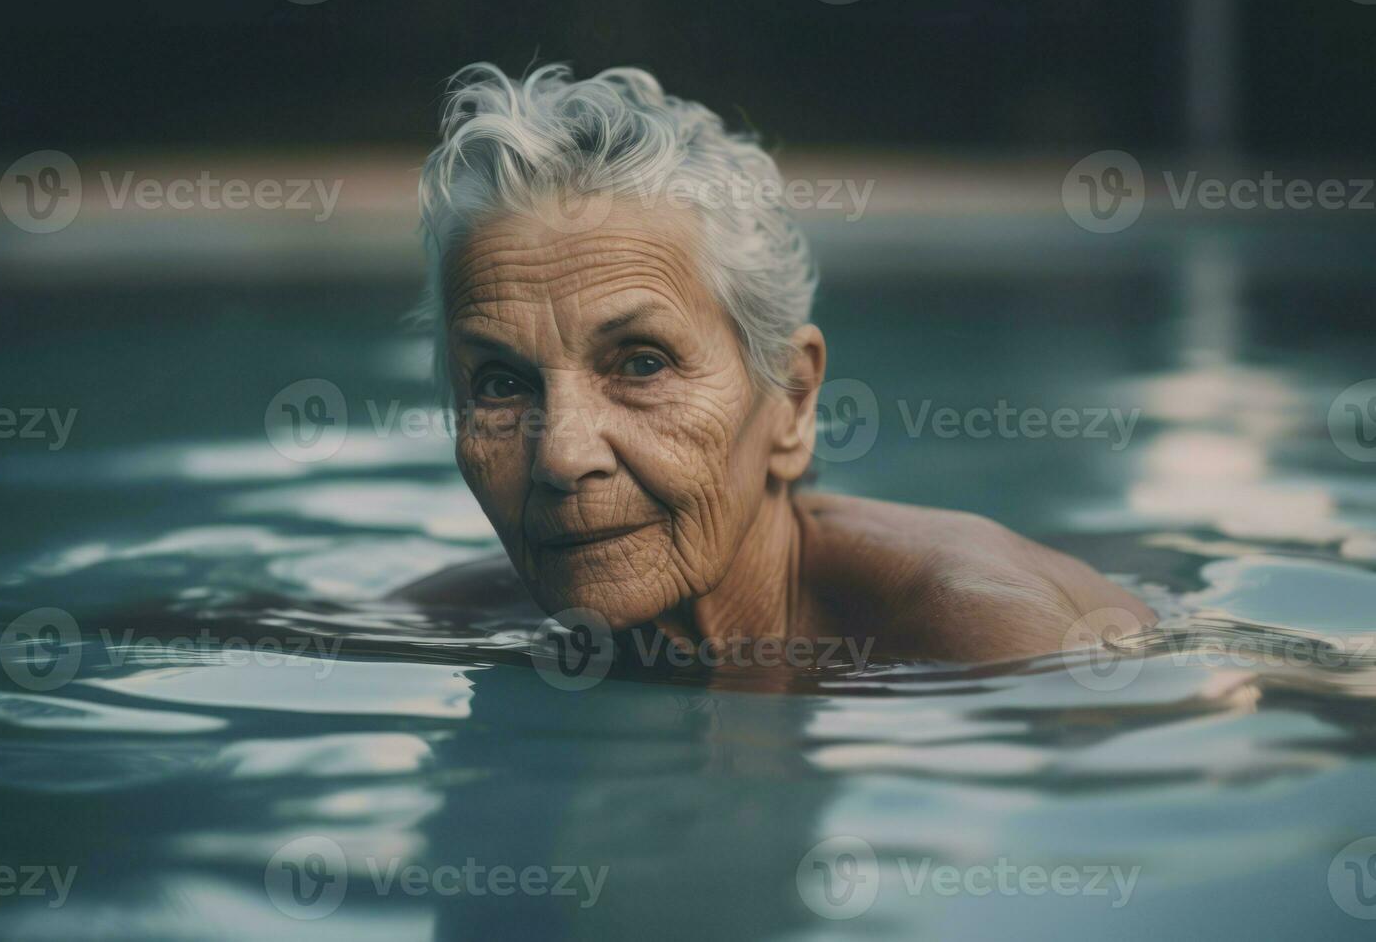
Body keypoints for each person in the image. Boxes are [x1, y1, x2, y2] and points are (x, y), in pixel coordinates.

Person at [395, 63, 1153, 663]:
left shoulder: (977, 632)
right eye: (500, 384)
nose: (561, 455)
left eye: (641, 365)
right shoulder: (463, 622)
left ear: (792, 401)